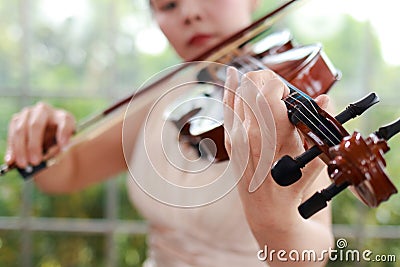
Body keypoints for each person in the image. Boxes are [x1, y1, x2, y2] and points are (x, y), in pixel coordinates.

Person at [4, 0, 334, 266]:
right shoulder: (166, 96)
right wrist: (42, 141)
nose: (190, 12)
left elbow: (312, 254)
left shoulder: (285, 105)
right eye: (168, 5)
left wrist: (275, 223)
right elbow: (68, 174)